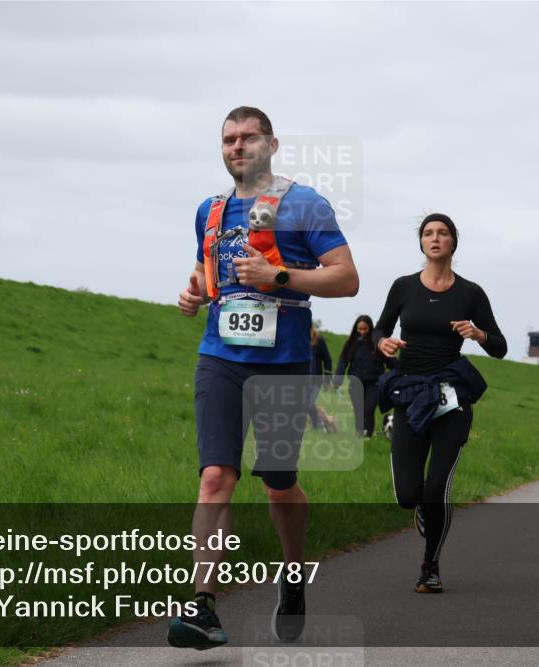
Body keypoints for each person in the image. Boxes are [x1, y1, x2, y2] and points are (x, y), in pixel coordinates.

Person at [172, 106, 359, 649]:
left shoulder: (305, 203)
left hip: (283, 363)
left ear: (271, 145)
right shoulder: (210, 209)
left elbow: (346, 279)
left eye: (248, 138)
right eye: (228, 139)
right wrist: (194, 291)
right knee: (215, 477)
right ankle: (203, 605)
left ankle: (294, 572)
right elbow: (208, 272)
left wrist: (279, 274)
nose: (237, 146)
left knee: (279, 484)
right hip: (221, 357)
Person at [374, 213, 507, 593]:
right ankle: (420, 509)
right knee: (407, 494)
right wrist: (382, 342)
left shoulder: (470, 293)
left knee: (437, 489)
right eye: (428, 233)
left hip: (451, 395)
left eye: (442, 233)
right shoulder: (403, 287)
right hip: (410, 392)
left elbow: (499, 347)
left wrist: (478, 332)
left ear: (453, 242)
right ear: (421, 243)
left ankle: (430, 564)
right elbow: (382, 328)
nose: (435, 238)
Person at [333, 315, 395, 437]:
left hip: (374, 383)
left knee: (368, 409)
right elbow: (343, 361)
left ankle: (369, 435)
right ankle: (359, 434)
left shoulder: (377, 343)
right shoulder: (351, 344)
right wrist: (337, 380)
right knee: (358, 410)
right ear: (356, 329)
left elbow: (389, 360)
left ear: (370, 328)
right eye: (359, 329)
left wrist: (400, 370)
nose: (362, 332)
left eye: (365, 329)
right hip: (355, 382)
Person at [308, 324, 333, 430]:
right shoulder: (297, 339)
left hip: (315, 380)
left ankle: (319, 423)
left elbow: (328, 360)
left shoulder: (318, 340)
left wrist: (327, 380)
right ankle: (317, 423)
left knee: (308, 403)